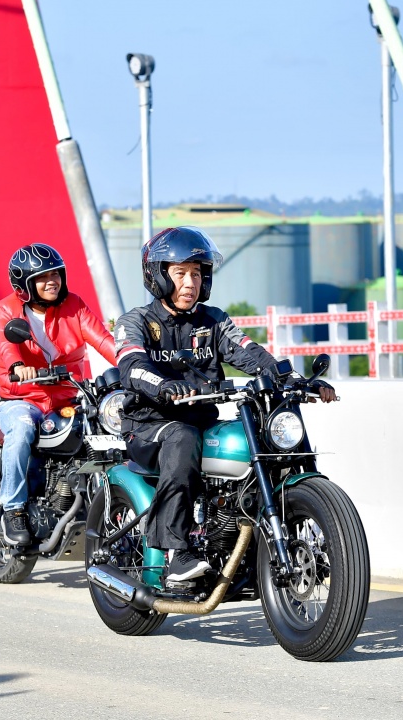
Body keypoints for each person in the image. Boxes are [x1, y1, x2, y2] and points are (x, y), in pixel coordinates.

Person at [114, 226, 335, 582]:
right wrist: (164, 386)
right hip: (150, 424)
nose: (191, 283)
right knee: (182, 437)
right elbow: (132, 366)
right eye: (181, 273)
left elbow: (251, 354)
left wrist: (293, 380)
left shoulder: (214, 321)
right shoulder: (136, 321)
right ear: (158, 275)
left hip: (201, 418)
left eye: (198, 274)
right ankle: (176, 552)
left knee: (253, 437)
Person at [0, 243, 117, 546]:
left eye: (56, 274)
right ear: (24, 284)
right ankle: (14, 510)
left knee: (113, 425)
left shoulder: (73, 305)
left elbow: (103, 339)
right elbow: (6, 344)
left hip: (70, 397)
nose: (52, 281)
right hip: (23, 399)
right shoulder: (6, 309)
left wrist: (134, 363)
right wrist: (18, 366)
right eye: (42, 277)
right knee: (21, 430)